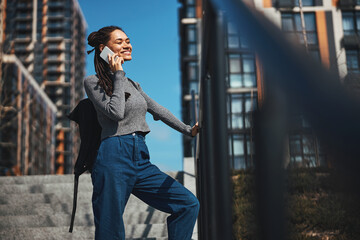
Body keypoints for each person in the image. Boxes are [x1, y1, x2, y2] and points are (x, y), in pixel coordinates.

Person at [84, 25, 200, 240]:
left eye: (127, 40)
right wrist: (118, 74)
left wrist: (188, 130)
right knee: (111, 230)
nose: (127, 45)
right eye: (119, 42)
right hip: (113, 155)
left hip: (141, 158)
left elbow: (158, 110)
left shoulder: (133, 84)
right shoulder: (93, 82)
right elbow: (115, 113)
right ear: (103, 49)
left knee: (187, 204)